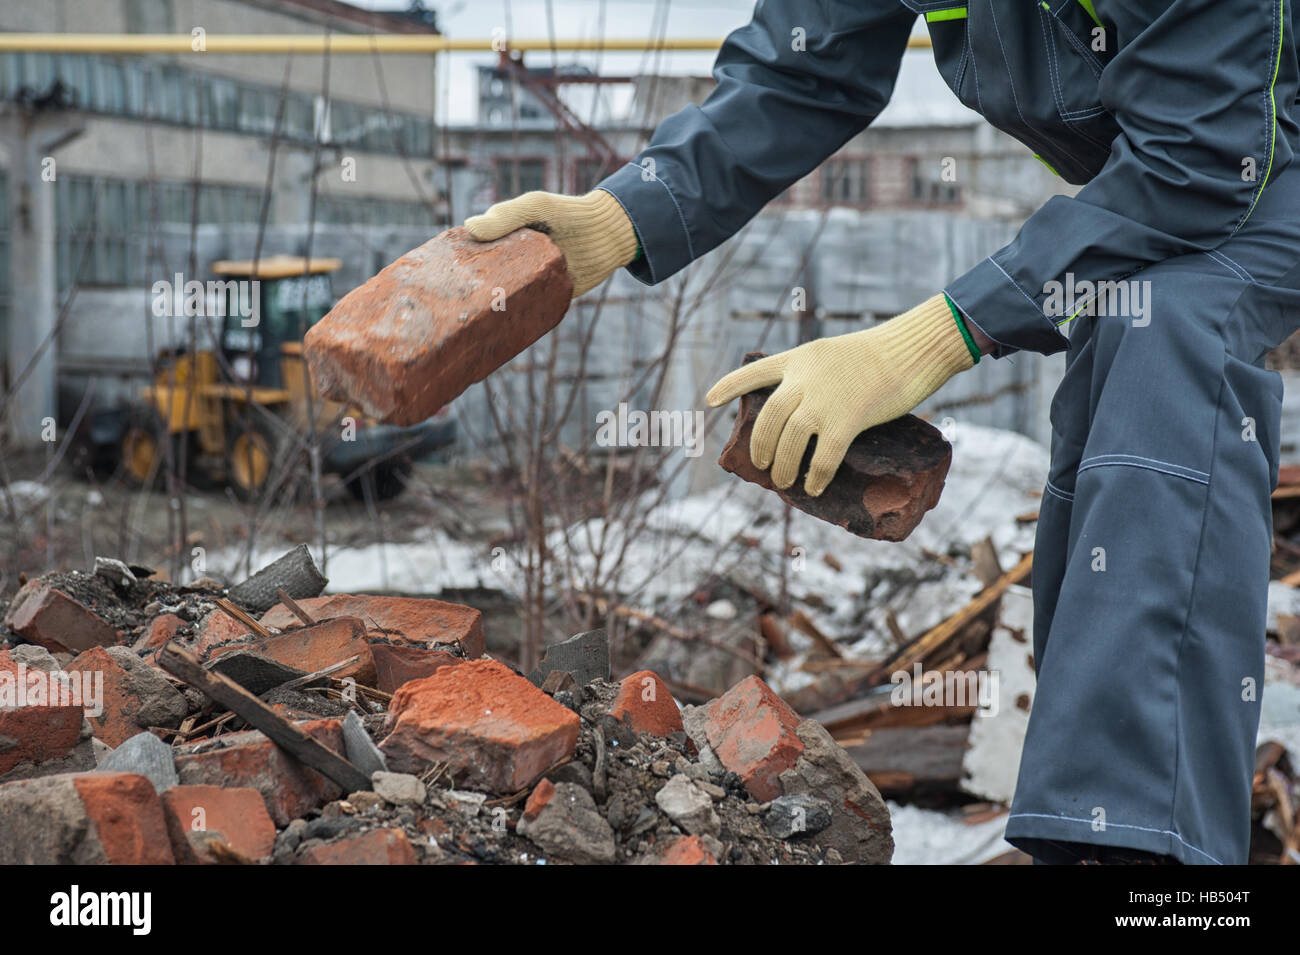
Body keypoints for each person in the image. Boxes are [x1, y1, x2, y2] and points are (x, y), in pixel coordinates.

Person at [466, 0, 1300, 865]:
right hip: (1200, 152)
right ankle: (1102, 830)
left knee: (1168, 331)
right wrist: (622, 215)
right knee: (1116, 346)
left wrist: (934, 337)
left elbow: (1205, 158)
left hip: (1240, 148)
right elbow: (801, 66)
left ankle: (1166, 876)